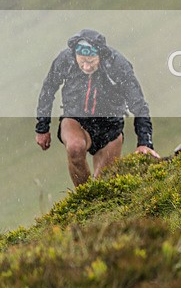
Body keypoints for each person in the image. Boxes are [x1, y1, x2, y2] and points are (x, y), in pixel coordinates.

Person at [35, 29, 159, 187]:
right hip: (76, 120)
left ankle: (95, 199)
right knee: (75, 148)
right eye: (82, 62)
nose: (86, 67)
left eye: (91, 62)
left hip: (110, 128)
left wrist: (145, 143)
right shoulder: (65, 59)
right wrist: (42, 128)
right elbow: (48, 89)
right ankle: (84, 199)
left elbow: (139, 104)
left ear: (100, 55)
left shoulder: (117, 65)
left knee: (104, 186)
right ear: (75, 56)